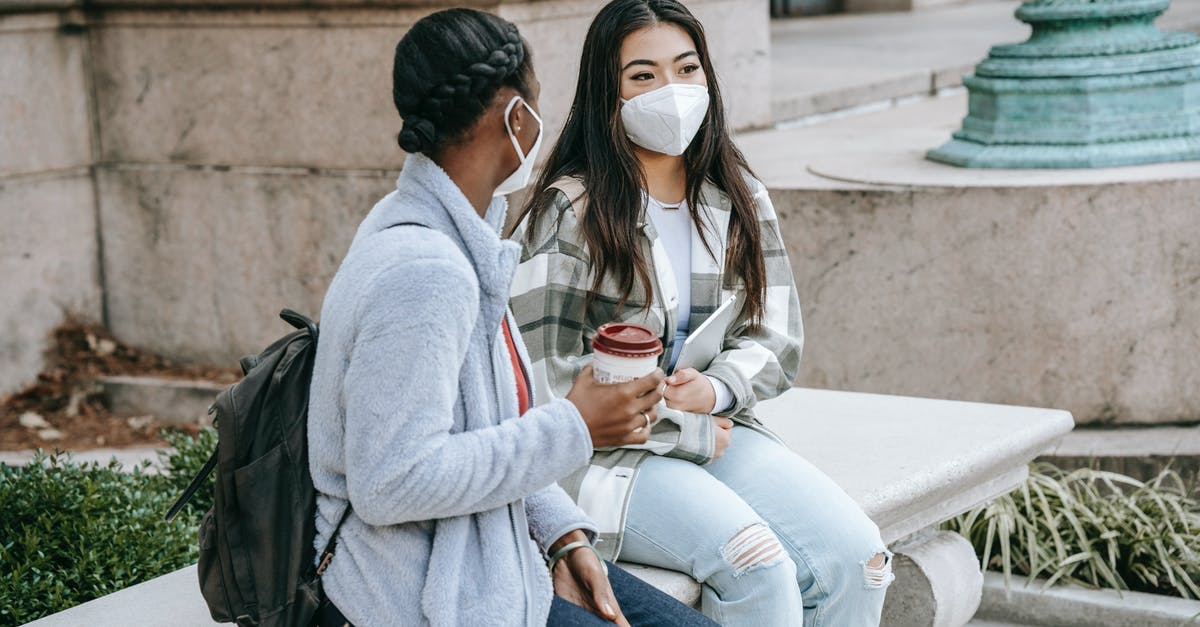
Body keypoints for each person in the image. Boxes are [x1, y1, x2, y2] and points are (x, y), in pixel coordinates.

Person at [306, 8, 716, 627]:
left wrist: (562, 534)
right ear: (517, 119)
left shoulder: (450, 234)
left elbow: (489, 425)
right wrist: (574, 426)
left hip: (488, 555)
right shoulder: (426, 271)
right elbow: (390, 481)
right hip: (421, 595)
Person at [508, 1, 895, 625]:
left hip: (713, 426)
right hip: (600, 456)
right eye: (643, 76)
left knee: (860, 558)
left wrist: (714, 389)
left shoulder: (734, 195)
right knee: (756, 563)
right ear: (608, 93)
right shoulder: (570, 210)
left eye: (687, 69)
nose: (672, 91)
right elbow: (537, 377)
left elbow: (776, 337)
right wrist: (680, 423)